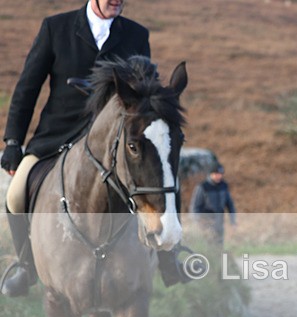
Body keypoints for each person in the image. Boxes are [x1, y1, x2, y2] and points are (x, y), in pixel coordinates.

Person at [0, 0, 186, 296]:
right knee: (15, 194)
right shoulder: (55, 28)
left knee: (157, 178)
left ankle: (167, 256)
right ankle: (26, 265)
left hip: (111, 144)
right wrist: (13, 141)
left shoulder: (137, 35)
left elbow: (145, 98)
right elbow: (27, 88)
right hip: (56, 136)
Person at [190, 162, 236, 246]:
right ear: (210, 174)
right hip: (206, 224)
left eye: (221, 174)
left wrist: (232, 221)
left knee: (219, 246)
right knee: (208, 247)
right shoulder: (202, 187)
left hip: (219, 223)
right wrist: (198, 222)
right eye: (216, 174)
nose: (219, 176)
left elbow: (230, 205)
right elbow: (195, 207)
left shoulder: (224, 186)